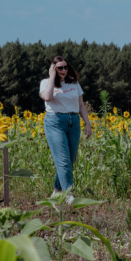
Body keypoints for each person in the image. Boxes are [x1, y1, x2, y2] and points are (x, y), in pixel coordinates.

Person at [41, 56, 92, 202]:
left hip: (74, 121)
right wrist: (52, 77)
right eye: (60, 68)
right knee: (63, 160)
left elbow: (81, 105)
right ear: (53, 68)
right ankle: (69, 194)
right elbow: (48, 97)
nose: (63, 70)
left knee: (70, 159)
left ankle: (57, 190)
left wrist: (87, 123)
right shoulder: (45, 83)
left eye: (65, 67)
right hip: (55, 121)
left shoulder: (74, 83)